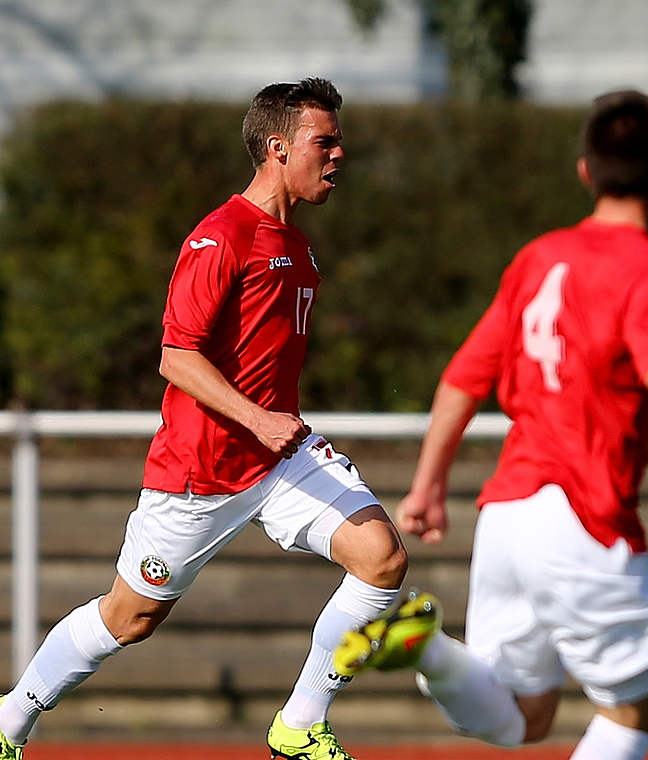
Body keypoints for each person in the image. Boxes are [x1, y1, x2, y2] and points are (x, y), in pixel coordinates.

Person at [331, 89, 648, 760]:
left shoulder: (538, 257)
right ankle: (429, 650)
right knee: (633, 709)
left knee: (522, 716)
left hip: (508, 514)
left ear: (584, 171)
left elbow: (463, 377)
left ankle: (430, 650)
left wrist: (427, 485)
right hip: (583, 515)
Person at [0, 78, 410, 760]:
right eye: (325, 141)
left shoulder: (298, 246)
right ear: (278, 148)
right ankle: (11, 717)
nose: (340, 154)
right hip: (199, 473)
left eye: (339, 140)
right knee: (129, 619)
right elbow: (175, 356)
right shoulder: (221, 237)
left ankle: (300, 723)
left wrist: (274, 428)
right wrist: (258, 417)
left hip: (280, 461)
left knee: (382, 558)